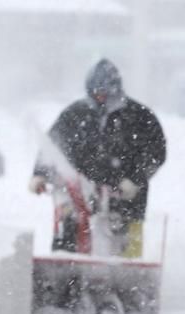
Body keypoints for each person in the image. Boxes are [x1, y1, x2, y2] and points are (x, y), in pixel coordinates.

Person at [29, 58, 166, 258]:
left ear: (116, 89)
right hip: (83, 194)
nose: (100, 97)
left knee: (126, 250)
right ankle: (66, 273)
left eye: (104, 92)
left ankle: (127, 281)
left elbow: (156, 153)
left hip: (128, 198)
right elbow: (53, 147)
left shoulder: (139, 117)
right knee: (69, 230)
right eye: (95, 92)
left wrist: (135, 180)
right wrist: (40, 174)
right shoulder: (75, 114)